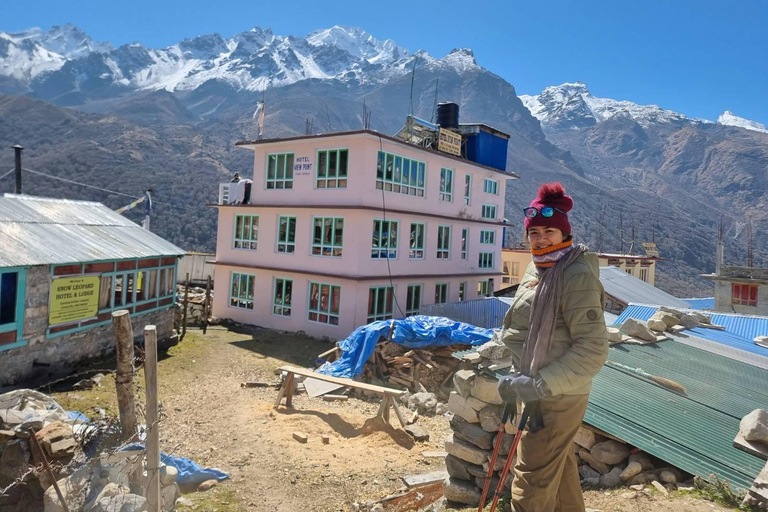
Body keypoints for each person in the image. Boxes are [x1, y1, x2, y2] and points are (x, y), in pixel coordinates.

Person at [497, 182, 608, 512]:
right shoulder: (539, 267)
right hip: (536, 385)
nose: (541, 238)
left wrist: (539, 385)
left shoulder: (575, 276)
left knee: (531, 478)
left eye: (549, 231)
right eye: (534, 232)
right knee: (557, 470)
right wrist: (515, 378)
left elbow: (592, 348)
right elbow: (524, 330)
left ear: (564, 234)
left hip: (557, 393)